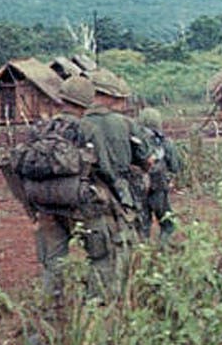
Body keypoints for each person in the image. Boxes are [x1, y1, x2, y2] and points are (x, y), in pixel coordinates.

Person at [33, 75, 148, 301]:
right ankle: (96, 306)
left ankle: (51, 308)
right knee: (101, 257)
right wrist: (118, 193)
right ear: (87, 101)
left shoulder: (42, 127)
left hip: (45, 205)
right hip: (83, 205)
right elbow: (105, 169)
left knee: (53, 263)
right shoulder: (88, 128)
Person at [135, 107, 183, 243]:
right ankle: (163, 251)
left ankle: (141, 255)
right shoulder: (164, 142)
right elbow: (175, 166)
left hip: (138, 190)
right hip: (158, 189)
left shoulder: (133, 141)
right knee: (168, 224)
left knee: (143, 226)